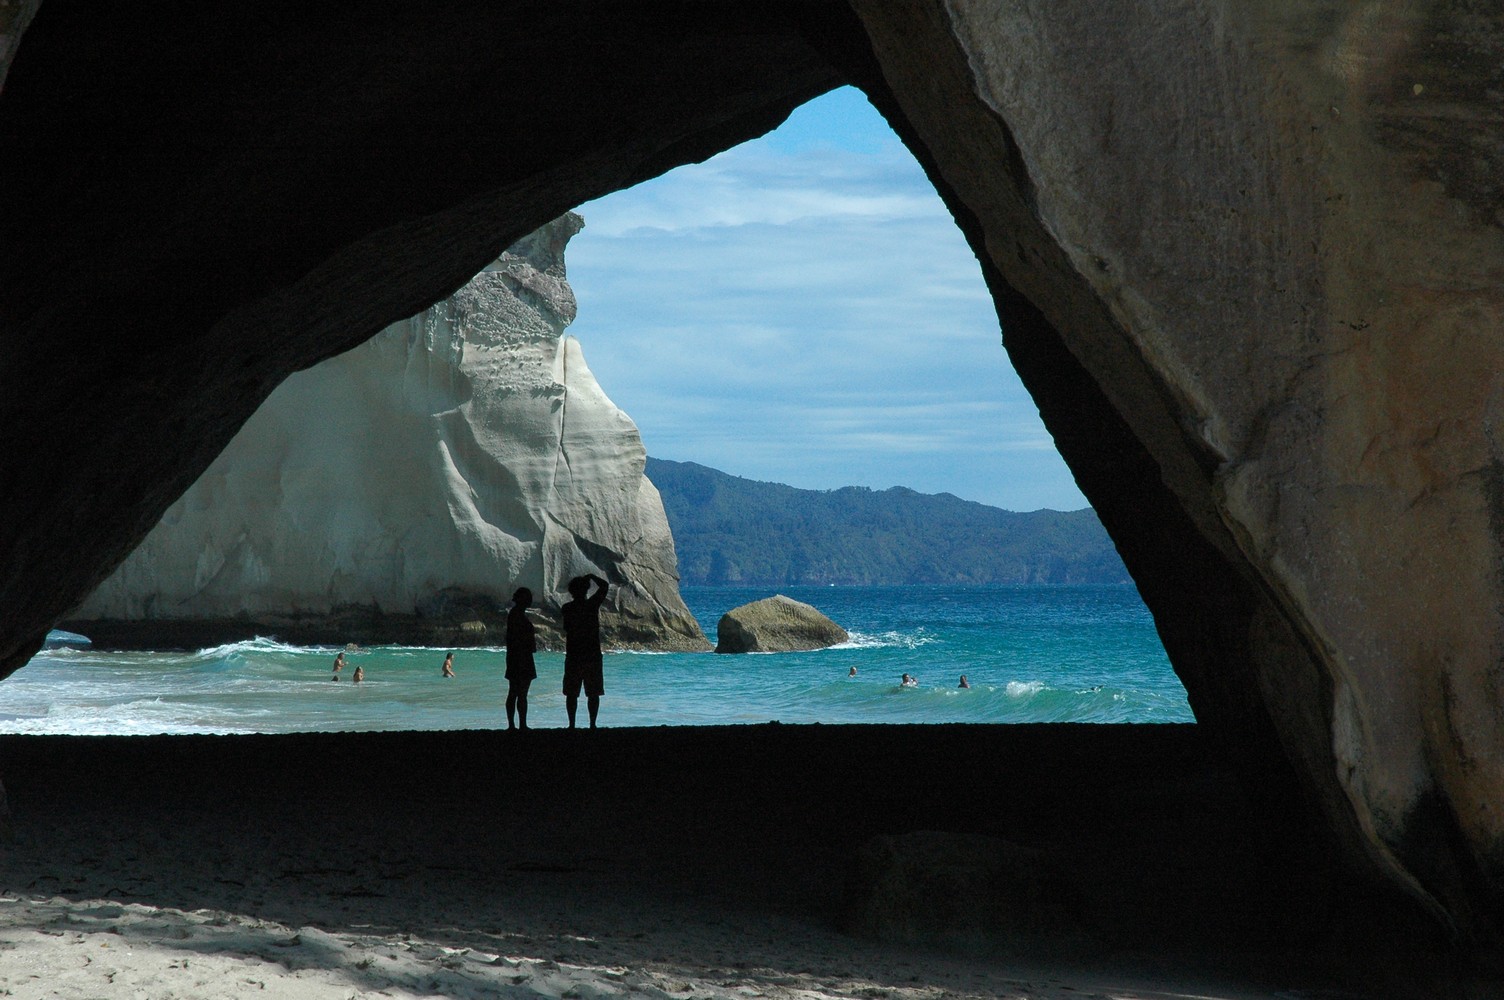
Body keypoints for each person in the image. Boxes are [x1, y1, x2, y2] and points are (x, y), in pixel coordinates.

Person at [561, 573, 609, 729]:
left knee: (571, 693)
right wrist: (592, 576)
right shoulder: (591, 605)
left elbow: (567, 628)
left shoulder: (567, 608)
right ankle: (592, 724)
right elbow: (604, 586)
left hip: (573, 654)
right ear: (586, 590)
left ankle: (571, 724)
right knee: (593, 693)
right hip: (592, 654)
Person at [505, 587, 537, 730]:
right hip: (522, 658)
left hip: (515, 657)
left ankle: (514, 725)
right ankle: (520, 724)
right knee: (520, 693)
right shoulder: (518, 615)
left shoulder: (514, 614)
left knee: (514, 692)